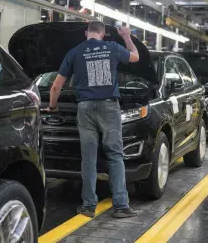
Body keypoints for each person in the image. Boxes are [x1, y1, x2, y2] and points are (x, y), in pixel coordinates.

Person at [45, 21, 140, 218]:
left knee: (88, 158)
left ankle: (88, 206)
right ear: (103, 34)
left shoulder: (74, 52)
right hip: (109, 107)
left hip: (85, 107)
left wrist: (53, 106)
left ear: (86, 33)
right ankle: (121, 206)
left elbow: (55, 87)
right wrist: (126, 36)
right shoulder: (112, 48)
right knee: (115, 155)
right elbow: (136, 57)